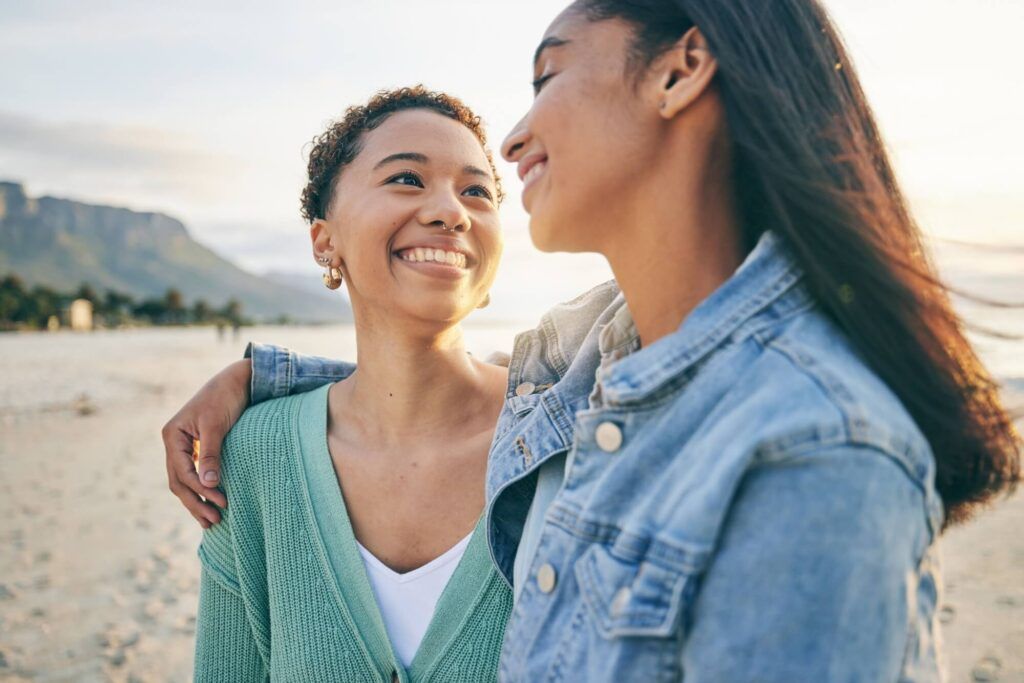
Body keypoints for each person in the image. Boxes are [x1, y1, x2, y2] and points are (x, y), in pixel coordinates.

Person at [168, 1, 1021, 680]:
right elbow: (417, 395)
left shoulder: (805, 446)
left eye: (548, 75)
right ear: (324, 238)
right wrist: (262, 378)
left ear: (681, 70)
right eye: (406, 178)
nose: (510, 139)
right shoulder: (599, 375)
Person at [187, 86, 514, 681]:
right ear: (325, 241)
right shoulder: (255, 456)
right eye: (407, 179)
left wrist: (256, 373)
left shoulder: (563, 443)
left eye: (476, 191)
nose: (452, 211)